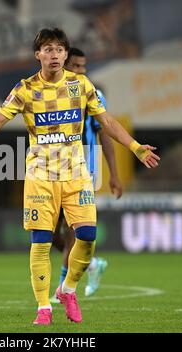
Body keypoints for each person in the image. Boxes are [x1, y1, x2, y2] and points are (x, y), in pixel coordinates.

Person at [0, 28, 160, 326]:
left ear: (66, 54)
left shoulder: (81, 85)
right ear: (37, 54)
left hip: (77, 175)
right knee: (41, 242)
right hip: (41, 176)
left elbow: (105, 121)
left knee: (88, 237)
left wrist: (134, 147)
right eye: (47, 49)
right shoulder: (26, 89)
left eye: (59, 49)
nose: (54, 54)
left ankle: (68, 291)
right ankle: (43, 307)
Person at [50, 47, 122, 304]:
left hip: (82, 172)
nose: (82, 71)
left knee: (71, 233)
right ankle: (91, 263)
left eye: (84, 67)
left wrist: (113, 173)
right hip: (52, 172)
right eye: (77, 66)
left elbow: (106, 134)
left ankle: (62, 288)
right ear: (64, 65)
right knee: (47, 234)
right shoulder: (51, 91)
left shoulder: (92, 93)